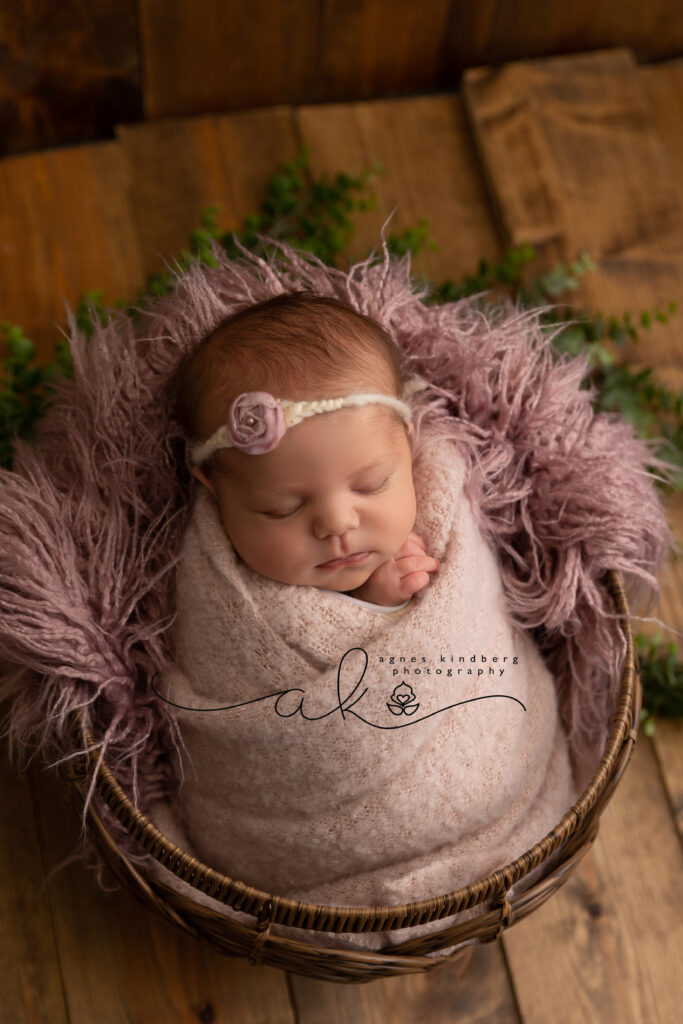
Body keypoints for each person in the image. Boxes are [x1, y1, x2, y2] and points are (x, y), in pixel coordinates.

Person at [175, 290, 441, 608]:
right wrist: (376, 603)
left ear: (407, 446)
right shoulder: (217, 590)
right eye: (283, 509)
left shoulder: (443, 501)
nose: (337, 524)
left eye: (372, 486)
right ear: (214, 490)